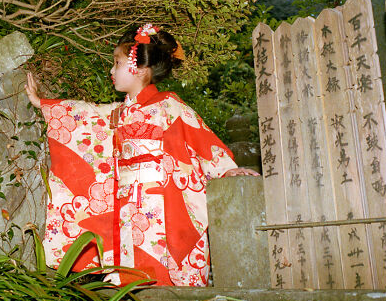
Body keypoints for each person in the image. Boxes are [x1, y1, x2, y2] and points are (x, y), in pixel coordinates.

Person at [25, 23, 259, 287]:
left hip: (159, 203)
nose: (112, 70)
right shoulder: (118, 113)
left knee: (161, 265)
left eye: (117, 63)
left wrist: (226, 169)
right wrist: (44, 104)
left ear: (139, 68)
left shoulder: (169, 107)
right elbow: (86, 114)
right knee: (129, 267)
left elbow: (201, 139)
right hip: (126, 205)